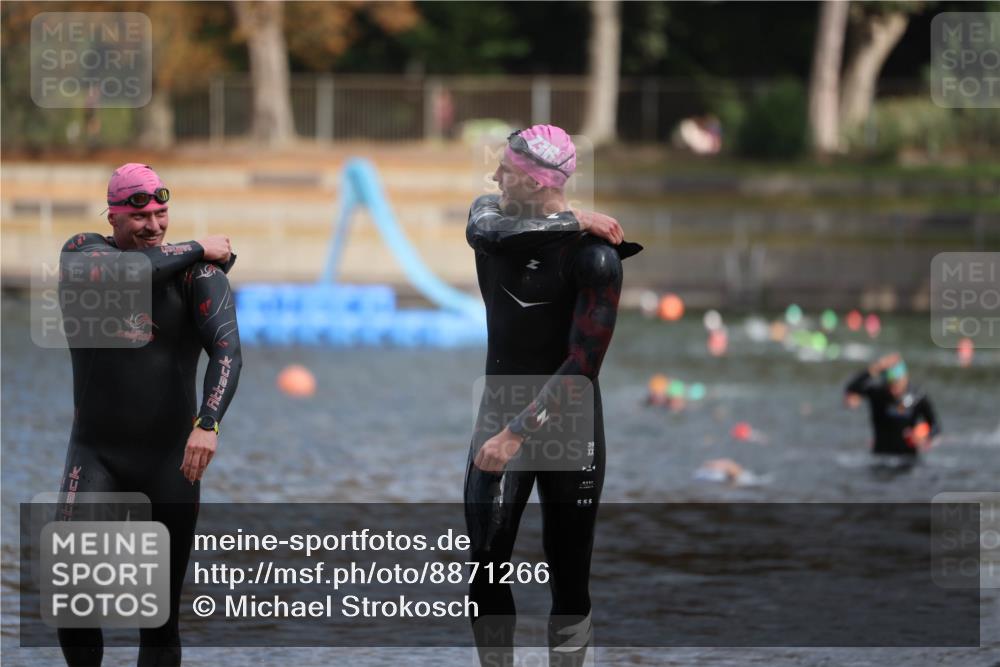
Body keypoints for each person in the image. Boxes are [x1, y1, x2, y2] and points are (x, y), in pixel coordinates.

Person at [464, 125, 641, 666]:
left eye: (509, 172)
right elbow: (493, 237)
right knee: (485, 568)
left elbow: (582, 366)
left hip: (566, 424)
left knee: (568, 578)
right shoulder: (488, 217)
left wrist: (517, 433)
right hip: (497, 414)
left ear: (540, 182)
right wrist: (572, 217)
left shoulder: (596, 259)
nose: (495, 177)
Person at [56, 163, 242, 666]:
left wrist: (208, 423)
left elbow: (227, 352)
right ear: (113, 217)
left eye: (162, 214)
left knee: (158, 620)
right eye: (141, 217)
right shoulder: (82, 254)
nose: (155, 226)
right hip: (97, 457)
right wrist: (201, 245)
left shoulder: (197, 280)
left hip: (171, 465)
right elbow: (124, 274)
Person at [844, 353, 940, 462]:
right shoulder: (878, 394)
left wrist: (924, 437)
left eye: (896, 384)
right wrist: (876, 367)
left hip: (908, 459)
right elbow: (852, 388)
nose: (893, 390)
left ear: (905, 378)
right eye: (889, 385)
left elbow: (935, 426)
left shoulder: (918, 396)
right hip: (881, 457)